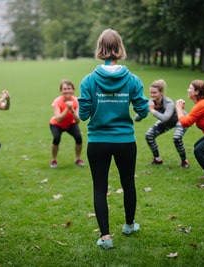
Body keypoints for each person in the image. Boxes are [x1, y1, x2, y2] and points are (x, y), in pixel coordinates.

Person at [78, 29, 149, 250]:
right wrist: (136, 111)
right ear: (120, 48)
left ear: (100, 48)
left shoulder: (88, 81)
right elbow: (143, 110)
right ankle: (129, 225)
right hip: (125, 140)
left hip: (98, 141)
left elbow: (83, 115)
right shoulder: (132, 80)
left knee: (100, 188)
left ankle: (106, 237)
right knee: (128, 184)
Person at [135, 79, 189, 167]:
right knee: (149, 135)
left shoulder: (169, 103)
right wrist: (143, 110)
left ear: (161, 92)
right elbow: (137, 119)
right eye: (151, 93)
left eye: (154, 93)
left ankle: (184, 161)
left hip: (181, 119)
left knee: (176, 137)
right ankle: (157, 159)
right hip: (168, 122)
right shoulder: (151, 102)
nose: (152, 95)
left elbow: (165, 118)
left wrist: (152, 110)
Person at [49, 79, 84, 168]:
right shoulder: (57, 102)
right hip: (56, 124)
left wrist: (71, 109)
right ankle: (53, 160)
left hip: (70, 123)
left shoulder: (76, 101)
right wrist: (67, 108)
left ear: (73, 90)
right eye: (64, 89)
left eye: (69, 88)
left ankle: (78, 159)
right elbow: (58, 119)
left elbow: (77, 121)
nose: (67, 91)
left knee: (78, 137)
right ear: (61, 91)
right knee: (56, 138)